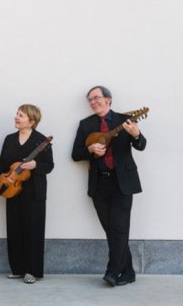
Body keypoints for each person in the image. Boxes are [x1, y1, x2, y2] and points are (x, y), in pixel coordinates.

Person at [72, 86, 146, 287]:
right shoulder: (86, 124)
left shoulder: (125, 120)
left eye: (96, 98)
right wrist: (90, 149)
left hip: (122, 182)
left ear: (108, 99)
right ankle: (128, 272)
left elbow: (141, 145)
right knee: (112, 230)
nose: (93, 102)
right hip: (99, 184)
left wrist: (136, 134)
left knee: (119, 229)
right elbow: (76, 154)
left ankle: (112, 271)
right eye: (90, 99)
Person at [0, 104, 53, 284]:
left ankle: (32, 271)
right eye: (17, 114)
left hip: (34, 191)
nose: (16, 117)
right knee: (14, 229)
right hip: (12, 188)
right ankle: (18, 269)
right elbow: (1, 163)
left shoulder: (41, 140)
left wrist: (35, 165)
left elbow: (49, 166)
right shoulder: (9, 139)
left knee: (33, 230)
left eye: (21, 115)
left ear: (32, 121)